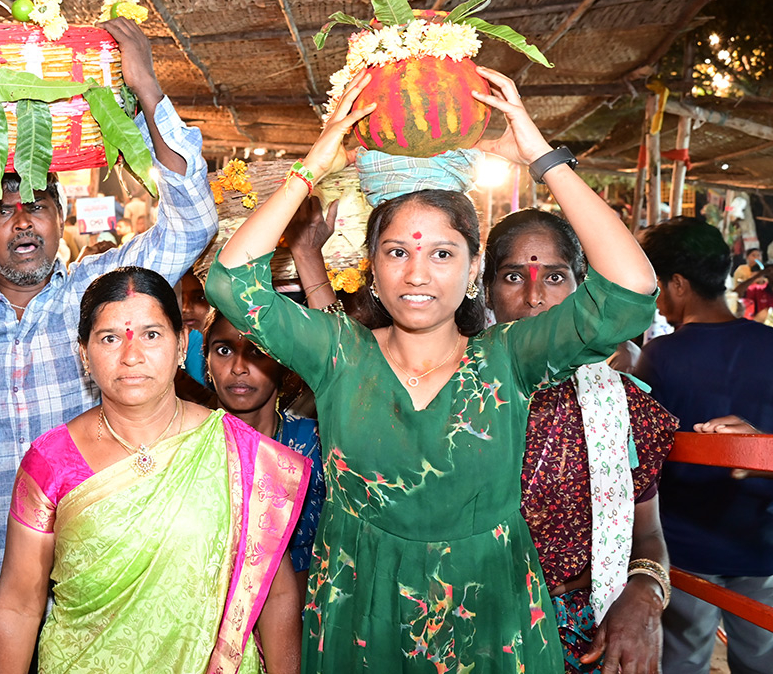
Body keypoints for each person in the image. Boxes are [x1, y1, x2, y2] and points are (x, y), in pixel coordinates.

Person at [206, 66, 658, 673]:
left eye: (442, 254)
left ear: (473, 270)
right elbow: (231, 282)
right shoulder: (337, 352)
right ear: (371, 267)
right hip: (358, 613)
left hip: (488, 615)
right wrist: (312, 165)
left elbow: (630, 289)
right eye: (397, 252)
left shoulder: (510, 359)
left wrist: (540, 155)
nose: (418, 274)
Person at [0, 18, 218, 673]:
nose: (22, 221)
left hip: (97, 606)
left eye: (38, 204)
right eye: (2, 206)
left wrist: (147, 87)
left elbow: (194, 221)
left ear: (59, 218)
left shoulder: (98, 296)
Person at [0, 267, 306, 674]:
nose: (131, 355)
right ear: (83, 354)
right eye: (109, 338)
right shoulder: (50, 461)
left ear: (181, 345)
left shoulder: (240, 453)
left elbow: (275, 596)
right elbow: (18, 605)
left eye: (152, 334)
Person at [484, 209, 678, 674]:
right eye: (514, 276)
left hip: (586, 623)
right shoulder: (446, 388)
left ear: (581, 286)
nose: (534, 298)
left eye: (554, 276)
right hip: (475, 621)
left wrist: (644, 595)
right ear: (485, 286)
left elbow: (647, 535)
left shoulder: (622, 405)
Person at [635, 217, 773, 674]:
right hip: (760, 544)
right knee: (761, 659)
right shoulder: (769, 344)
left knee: (683, 660)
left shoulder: (662, 356)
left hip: (686, 548)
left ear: (677, 282)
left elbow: (645, 459)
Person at [204, 308, 325, 602]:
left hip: (308, 613)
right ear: (206, 361)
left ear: (283, 361)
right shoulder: (189, 446)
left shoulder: (318, 443)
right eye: (223, 350)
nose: (238, 367)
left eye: (257, 352)